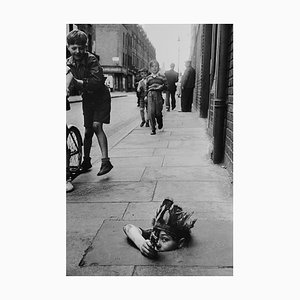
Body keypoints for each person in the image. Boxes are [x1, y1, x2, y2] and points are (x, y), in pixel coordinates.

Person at [66, 29, 113, 176]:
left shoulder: (91, 59)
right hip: (88, 98)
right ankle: (86, 160)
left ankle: (106, 161)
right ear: (68, 47)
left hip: (101, 97)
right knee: (87, 131)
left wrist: (75, 81)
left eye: (81, 48)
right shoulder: (68, 64)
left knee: (96, 126)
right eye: (74, 48)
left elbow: (96, 82)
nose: (78, 51)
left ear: (86, 47)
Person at [123, 198, 197, 258]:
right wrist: (141, 244)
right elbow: (128, 227)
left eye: (164, 239)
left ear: (180, 243)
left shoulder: (178, 237)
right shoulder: (158, 233)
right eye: (156, 236)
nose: (157, 243)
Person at [145, 60, 167, 135]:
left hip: (158, 95)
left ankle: (160, 123)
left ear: (158, 68)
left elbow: (166, 86)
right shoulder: (148, 78)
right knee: (151, 112)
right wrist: (145, 96)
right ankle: (153, 128)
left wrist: (161, 87)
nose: (154, 68)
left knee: (158, 113)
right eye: (152, 66)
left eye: (156, 66)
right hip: (150, 95)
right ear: (150, 68)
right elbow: (146, 88)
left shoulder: (162, 77)